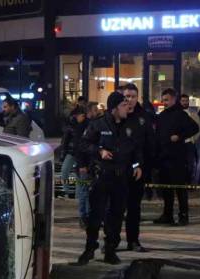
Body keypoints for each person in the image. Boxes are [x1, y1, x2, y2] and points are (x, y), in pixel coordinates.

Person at [74, 91, 143, 266]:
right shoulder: (98, 124)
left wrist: (137, 166)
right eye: (123, 105)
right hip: (102, 176)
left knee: (117, 216)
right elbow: (83, 144)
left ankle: (110, 250)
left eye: (128, 104)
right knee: (96, 215)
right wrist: (99, 151)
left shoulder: (131, 125)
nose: (127, 107)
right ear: (113, 108)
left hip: (121, 178)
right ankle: (89, 249)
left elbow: (135, 149)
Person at [153, 88, 199, 226]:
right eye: (163, 100)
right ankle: (167, 214)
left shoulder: (181, 115)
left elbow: (194, 128)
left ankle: (183, 215)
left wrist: (179, 136)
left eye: (166, 100)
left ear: (174, 99)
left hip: (177, 157)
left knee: (180, 188)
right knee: (166, 188)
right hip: (164, 157)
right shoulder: (161, 116)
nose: (164, 102)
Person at [122, 83, 154, 252]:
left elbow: (149, 144)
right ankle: (110, 242)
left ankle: (133, 240)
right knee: (115, 207)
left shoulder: (144, 118)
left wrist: (147, 168)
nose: (130, 100)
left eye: (133, 96)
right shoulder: (116, 116)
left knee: (134, 208)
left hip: (137, 170)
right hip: (117, 170)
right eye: (127, 96)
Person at [59, 106, 87, 201]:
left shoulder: (86, 125)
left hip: (82, 154)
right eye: (81, 115)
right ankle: (66, 191)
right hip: (72, 152)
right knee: (64, 171)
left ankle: (78, 195)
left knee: (79, 174)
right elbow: (65, 140)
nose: (82, 117)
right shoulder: (71, 126)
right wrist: (63, 153)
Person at [180, 94, 200, 184]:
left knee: (190, 164)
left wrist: (193, 138)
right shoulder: (176, 114)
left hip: (190, 143)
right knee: (181, 165)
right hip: (179, 144)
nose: (185, 102)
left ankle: (189, 182)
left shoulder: (193, 114)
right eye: (183, 101)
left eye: (186, 101)